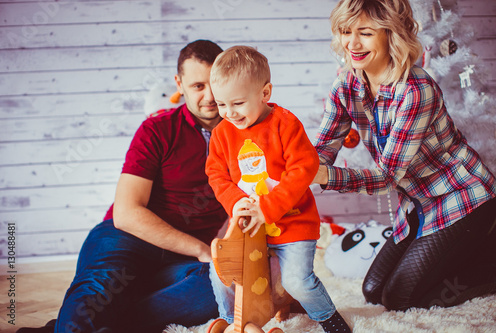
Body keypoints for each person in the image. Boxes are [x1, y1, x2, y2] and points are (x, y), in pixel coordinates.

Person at [17, 40, 228, 333]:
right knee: (99, 289)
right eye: (197, 86)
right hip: (126, 239)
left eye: (214, 85)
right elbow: (127, 214)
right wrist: (201, 249)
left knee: (216, 290)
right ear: (179, 84)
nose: (209, 96)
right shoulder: (157, 129)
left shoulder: (246, 139)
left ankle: (89, 325)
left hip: (184, 262)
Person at [313, 0, 496, 312]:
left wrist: (325, 176)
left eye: (366, 33)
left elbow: (387, 177)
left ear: (391, 36)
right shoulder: (345, 84)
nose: (352, 43)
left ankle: (491, 261)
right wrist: (294, 169)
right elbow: (322, 151)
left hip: (463, 198)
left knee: (402, 298)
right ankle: (460, 253)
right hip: (418, 202)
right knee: (373, 291)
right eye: (346, 31)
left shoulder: (415, 90)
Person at [205, 45, 351, 333]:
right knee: (222, 267)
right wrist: (235, 202)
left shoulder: (285, 124)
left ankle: (331, 320)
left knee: (297, 280)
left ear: (265, 93)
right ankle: (231, 319)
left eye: (237, 103)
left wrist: (268, 208)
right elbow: (216, 173)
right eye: (221, 105)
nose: (229, 113)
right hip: (249, 227)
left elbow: (304, 168)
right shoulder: (222, 133)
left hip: (293, 223)